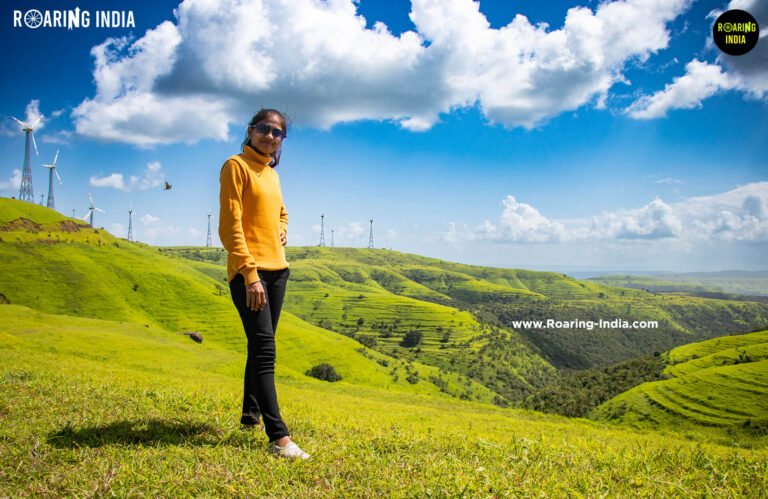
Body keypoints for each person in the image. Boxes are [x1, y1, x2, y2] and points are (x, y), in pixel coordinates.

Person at [219, 108, 309, 460]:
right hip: (250, 274)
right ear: (251, 130)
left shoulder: (271, 175)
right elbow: (230, 224)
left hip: (278, 271)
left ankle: (249, 416)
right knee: (265, 350)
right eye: (264, 129)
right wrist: (249, 272)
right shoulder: (235, 166)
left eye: (278, 133)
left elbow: (282, 211)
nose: (270, 136)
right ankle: (279, 437)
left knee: (260, 346)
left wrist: (281, 229)